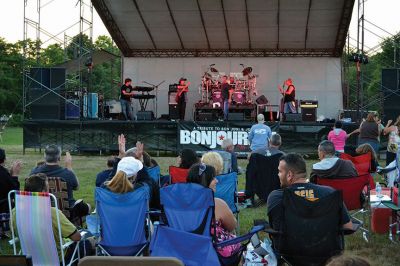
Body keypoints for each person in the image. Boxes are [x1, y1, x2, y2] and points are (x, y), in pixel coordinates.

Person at [267, 153, 353, 246]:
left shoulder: (276, 196)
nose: (278, 174)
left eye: (280, 171)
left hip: (289, 254)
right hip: (327, 253)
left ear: (289, 175)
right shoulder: (330, 193)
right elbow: (348, 227)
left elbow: (275, 228)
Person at [11, 173, 83, 259]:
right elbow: (76, 237)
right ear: (43, 192)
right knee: (87, 243)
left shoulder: (15, 212)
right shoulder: (52, 213)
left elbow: (16, 233)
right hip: (57, 259)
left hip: (30, 259)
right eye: (48, 188)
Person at [187, 163, 239, 258]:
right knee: (237, 245)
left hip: (186, 250)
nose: (217, 181)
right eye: (213, 178)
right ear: (204, 182)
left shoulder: (180, 205)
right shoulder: (217, 204)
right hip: (214, 252)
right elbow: (232, 226)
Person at [0, 148, 21, 213]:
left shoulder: (5, 173)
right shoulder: (3, 173)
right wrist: (15, 175)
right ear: (4, 160)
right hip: (3, 210)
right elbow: (14, 193)